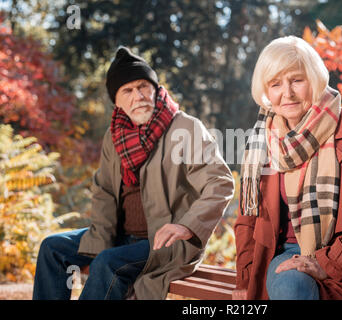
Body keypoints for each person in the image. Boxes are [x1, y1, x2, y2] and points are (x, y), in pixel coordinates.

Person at [33, 46, 234, 300]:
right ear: (116, 101)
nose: (137, 96)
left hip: (165, 243)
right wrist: (101, 242)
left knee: (108, 263)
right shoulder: (114, 135)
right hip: (121, 237)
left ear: (156, 89)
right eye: (127, 90)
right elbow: (105, 192)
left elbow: (220, 183)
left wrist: (187, 226)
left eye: (143, 86)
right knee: (52, 248)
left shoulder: (186, 128)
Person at [233, 36, 342, 300]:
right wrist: (244, 281)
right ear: (266, 91)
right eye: (275, 84)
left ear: (314, 79)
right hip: (284, 256)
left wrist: (327, 262)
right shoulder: (259, 142)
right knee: (291, 286)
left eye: (297, 80)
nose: (286, 93)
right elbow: (247, 220)